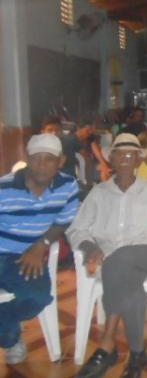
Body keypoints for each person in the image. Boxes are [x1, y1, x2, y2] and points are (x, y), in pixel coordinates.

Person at [67, 133, 147, 378]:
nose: (125, 158)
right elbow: (76, 229)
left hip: (145, 252)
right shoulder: (99, 192)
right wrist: (90, 247)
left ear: (138, 160)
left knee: (118, 262)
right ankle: (137, 354)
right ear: (111, 158)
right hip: (109, 257)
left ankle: (107, 344)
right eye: (120, 153)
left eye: (131, 154)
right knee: (129, 285)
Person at [0, 134, 79, 364]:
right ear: (27, 159)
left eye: (49, 159)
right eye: (36, 158)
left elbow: (63, 220)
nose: (42, 165)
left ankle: (8, 335)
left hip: (25, 258)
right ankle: (11, 337)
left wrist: (40, 245)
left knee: (38, 297)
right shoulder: (4, 187)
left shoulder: (68, 186)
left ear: (61, 161)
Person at [62, 118, 112, 182]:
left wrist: (104, 164)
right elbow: (81, 158)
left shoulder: (90, 138)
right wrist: (100, 166)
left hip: (90, 164)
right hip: (79, 166)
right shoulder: (71, 140)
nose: (90, 132)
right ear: (79, 128)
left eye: (91, 130)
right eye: (88, 130)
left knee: (106, 170)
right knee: (104, 172)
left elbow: (97, 152)